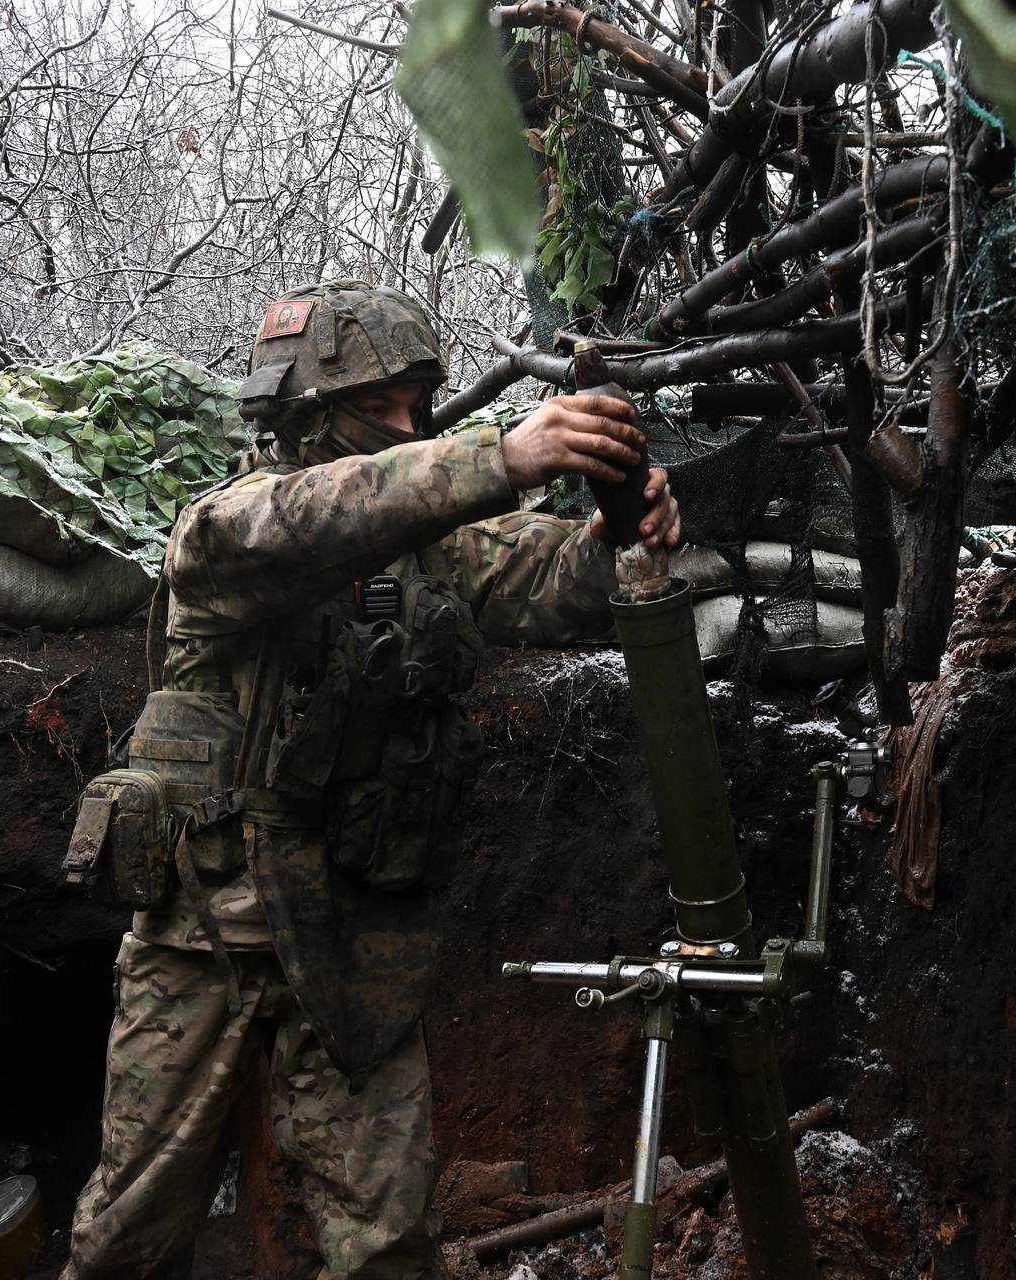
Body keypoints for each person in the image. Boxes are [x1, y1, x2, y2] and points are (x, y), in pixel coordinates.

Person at [61, 280, 679, 1280]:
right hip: (208, 929)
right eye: (378, 408)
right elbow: (312, 520)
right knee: (130, 1229)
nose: (407, 426)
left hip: (355, 932)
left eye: (416, 405)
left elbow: (549, 583)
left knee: (386, 1236)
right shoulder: (226, 526)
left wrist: (619, 536)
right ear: (305, 414)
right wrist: (502, 453)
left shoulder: (430, 546)